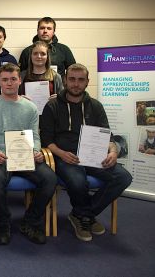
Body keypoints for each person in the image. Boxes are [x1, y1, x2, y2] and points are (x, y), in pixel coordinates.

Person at [40, 63, 132, 242]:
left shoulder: (95, 106)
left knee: (123, 177)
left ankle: (82, 215)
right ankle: (86, 216)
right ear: (65, 80)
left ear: (87, 82)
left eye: (80, 80)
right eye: (72, 79)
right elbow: (46, 140)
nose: (76, 84)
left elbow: (108, 136)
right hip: (65, 157)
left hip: (94, 156)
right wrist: (61, 153)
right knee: (77, 180)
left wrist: (112, 151)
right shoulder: (52, 106)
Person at [0, 63, 56, 245]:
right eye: (5, 79)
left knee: (50, 179)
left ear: (19, 81)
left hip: (25, 157)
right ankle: (3, 223)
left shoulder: (30, 108)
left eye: (13, 79)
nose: (9, 83)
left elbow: (36, 136)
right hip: (1, 157)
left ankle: (30, 221)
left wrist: (36, 151)